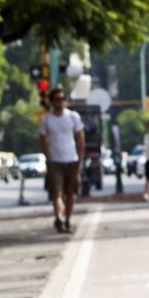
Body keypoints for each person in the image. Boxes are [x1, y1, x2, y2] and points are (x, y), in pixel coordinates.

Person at [38, 85, 87, 233]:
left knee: (71, 193)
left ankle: (67, 220)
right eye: (57, 99)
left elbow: (80, 138)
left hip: (72, 159)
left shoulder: (73, 116)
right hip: (55, 161)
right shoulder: (46, 119)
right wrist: (48, 157)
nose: (60, 102)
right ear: (51, 101)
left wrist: (80, 158)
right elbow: (42, 140)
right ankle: (58, 217)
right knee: (56, 192)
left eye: (62, 99)